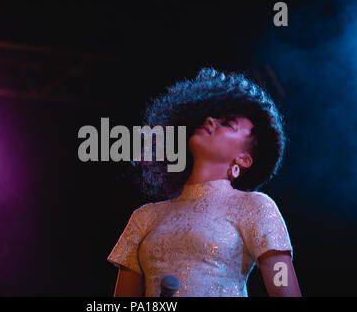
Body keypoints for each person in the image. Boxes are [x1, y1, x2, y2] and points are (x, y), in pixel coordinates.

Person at [107, 68, 301, 297]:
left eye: (228, 124)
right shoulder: (144, 217)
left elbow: (285, 289)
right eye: (213, 116)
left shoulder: (255, 206)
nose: (210, 120)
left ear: (244, 159)